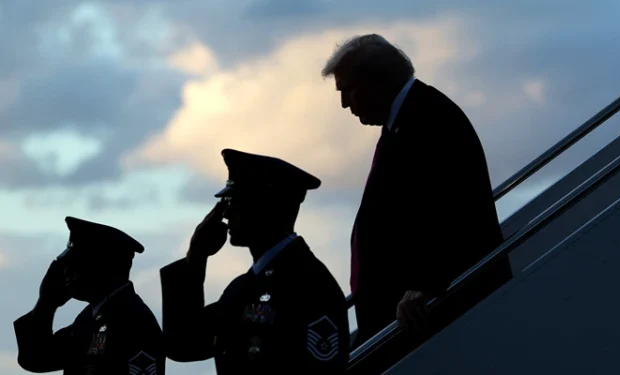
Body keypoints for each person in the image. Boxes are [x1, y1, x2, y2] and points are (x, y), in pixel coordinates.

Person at [321, 34, 513, 346]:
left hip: (432, 321)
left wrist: (429, 281)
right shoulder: (408, 118)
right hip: (407, 319)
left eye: (348, 89)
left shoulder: (429, 117)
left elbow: (457, 207)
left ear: (377, 79)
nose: (344, 103)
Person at [159, 149, 349, 374]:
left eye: (236, 200)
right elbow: (184, 344)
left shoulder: (310, 284)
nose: (226, 213)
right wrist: (196, 256)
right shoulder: (242, 289)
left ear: (265, 204)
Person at [13, 217, 165, 375]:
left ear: (102, 267)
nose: (66, 274)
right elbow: (37, 359)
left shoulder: (133, 321)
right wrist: (46, 304)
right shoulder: (90, 319)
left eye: (75, 266)